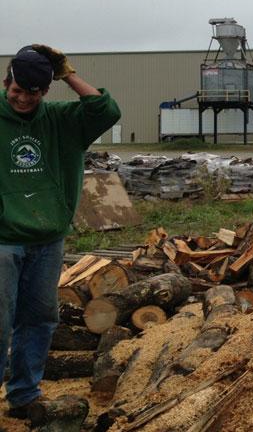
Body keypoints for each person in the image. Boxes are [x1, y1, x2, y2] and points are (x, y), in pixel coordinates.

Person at [1, 45, 120, 419]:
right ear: (6, 83)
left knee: (38, 319)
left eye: (31, 93)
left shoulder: (62, 121)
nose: (22, 99)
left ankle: (23, 396)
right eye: (16, 90)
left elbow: (106, 110)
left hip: (47, 240)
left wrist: (66, 72)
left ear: (45, 91)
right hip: (3, 241)